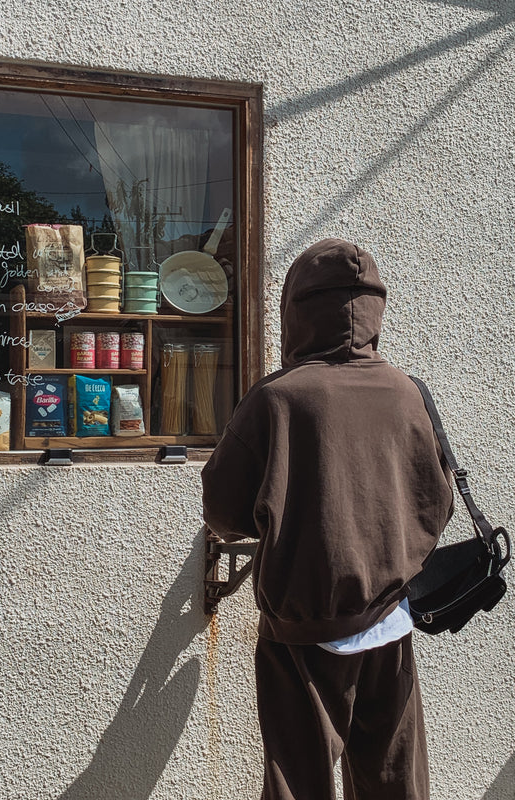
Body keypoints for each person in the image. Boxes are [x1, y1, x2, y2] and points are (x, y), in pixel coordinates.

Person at [201, 238, 454, 800]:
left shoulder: (277, 399)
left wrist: (285, 528)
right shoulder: (408, 393)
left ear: (296, 309)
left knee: (299, 781)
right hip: (389, 621)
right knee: (393, 778)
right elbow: (436, 504)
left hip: (302, 633)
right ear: (374, 310)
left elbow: (223, 511)